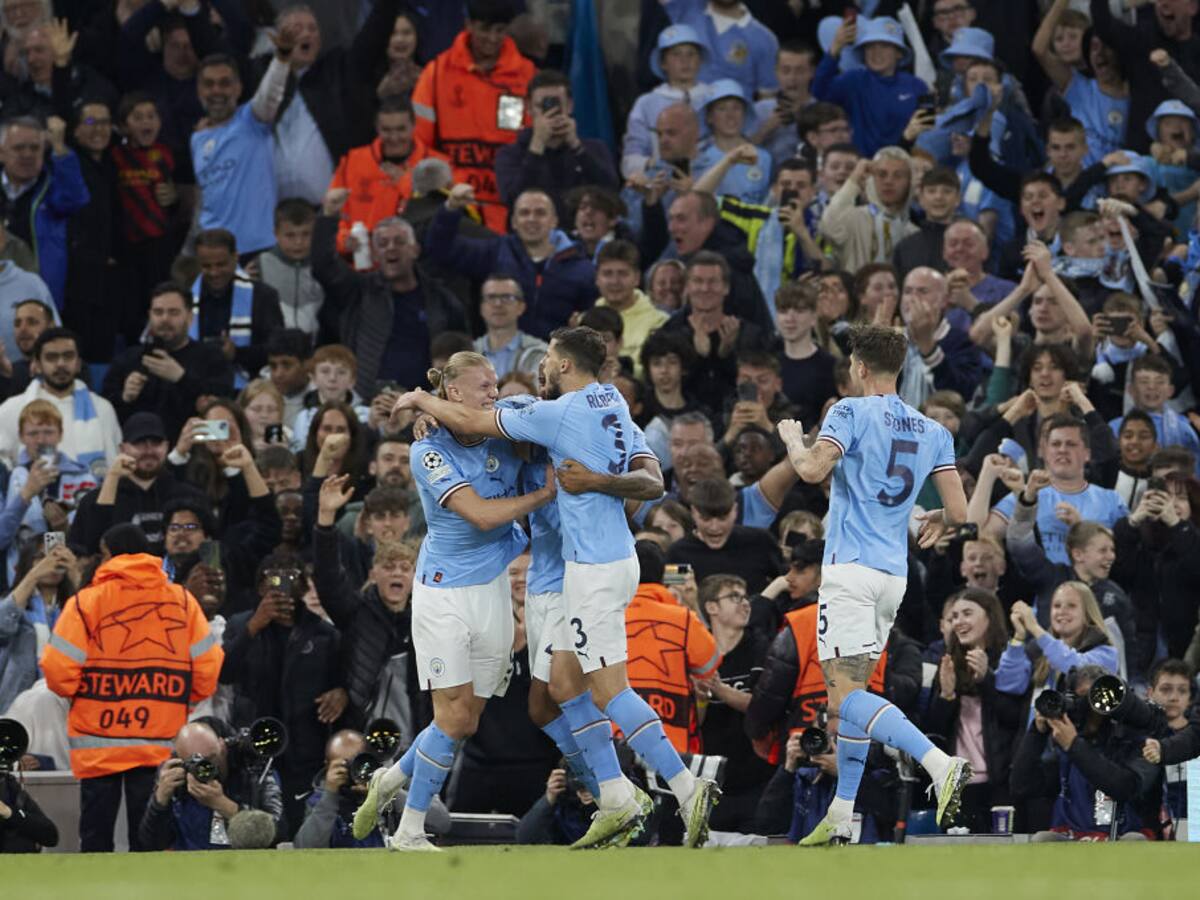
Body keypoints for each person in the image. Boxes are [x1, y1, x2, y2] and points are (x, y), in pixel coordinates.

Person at [392, 329, 722, 849]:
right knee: (552, 700)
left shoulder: (559, 414)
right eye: (492, 388)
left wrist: (421, 399)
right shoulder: (604, 403)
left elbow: (651, 482)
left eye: (545, 360)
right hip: (579, 568)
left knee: (605, 690)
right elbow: (475, 425)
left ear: (563, 365)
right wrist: (432, 414)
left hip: (584, 571)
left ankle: (679, 787)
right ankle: (616, 796)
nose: (507, 394)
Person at [775, 323, 971, 845]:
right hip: (892, 576)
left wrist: (795, 438)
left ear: (859, 367)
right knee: (854, 697)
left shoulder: (847, 410)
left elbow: (814, 471)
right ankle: (841, 814)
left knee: (843, 696)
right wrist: (938, 522)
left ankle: (938, 762)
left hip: (849, 571)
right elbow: (958, 510)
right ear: (899, 367)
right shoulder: (933, 430)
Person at [353, 351, 554, 851]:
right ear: (455, 396)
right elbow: (481, 516)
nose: (494, 393)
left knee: (465, 720)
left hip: (492, 589)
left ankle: (391, 779)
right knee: (450, 717)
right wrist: (542, 497)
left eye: (495, 384)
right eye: (483, 386)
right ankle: (409, 830)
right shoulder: (428, 452)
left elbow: (545, 414)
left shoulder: (509, 419)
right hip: (443, 593)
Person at [40, 523, 222, 852]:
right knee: (150, 836)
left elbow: (57, 669)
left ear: (108, 552)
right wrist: (179, 702)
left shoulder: (86, 602)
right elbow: (208, 667)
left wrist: (81, 697)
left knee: (95, 841)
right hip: (158, 738)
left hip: (98, 740)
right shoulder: (181, 600)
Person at [313, 188, 466, 400]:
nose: (390, 248)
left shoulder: (441, 299)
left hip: (427, 405)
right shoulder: (359, 291)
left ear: (415, 250)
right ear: (375, 254)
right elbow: (323, 266)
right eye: (382, 244)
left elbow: (463, 350)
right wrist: (329, 215)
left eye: (399, 242)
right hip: (368, 404)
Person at [411, 0, 535, 232]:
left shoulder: (526, 75)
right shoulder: (437, 73)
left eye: (500, 30)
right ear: (468, 25)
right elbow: (419, 144)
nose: (492, 38)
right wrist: (452, 183)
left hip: (508, 213)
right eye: (484, 29)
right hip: (454, 206)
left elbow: (531, 145)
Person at [424, 183, 597, 341]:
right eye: (524, 213)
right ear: (513, 222)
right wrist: (451, 209)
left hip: (558, 365)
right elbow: (440, 249)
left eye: (540, 213)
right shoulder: (493, 252)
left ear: (554, 221)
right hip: (501, 364)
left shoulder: (582, 268)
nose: (531, 219)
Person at [921, 587, 1024, 833]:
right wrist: (946, 696)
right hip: (958, 787)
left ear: (989, 617)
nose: (959, 622)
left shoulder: (1010, 659)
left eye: (967, 613)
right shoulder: (948, 664)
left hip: (1001, 785)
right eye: (954, 616)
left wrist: (987, 680)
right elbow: (933, 731)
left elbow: (1016, 719)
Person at [101, 282, 235, 441]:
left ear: (190, 317)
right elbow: (105, 417)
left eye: (173, 312)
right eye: (158, 312)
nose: (165, 319)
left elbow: (222, 425)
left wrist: (182, 379)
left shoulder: (212, 358)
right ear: (150, 316)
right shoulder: (127, 359)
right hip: (139, 451)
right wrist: (125, 397)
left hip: (196, 452)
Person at [191, 45, 289, 258]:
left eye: (225, 83)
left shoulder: (252, 119)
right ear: (199, 90)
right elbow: (203, 197)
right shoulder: (196, 138)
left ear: (238, 88)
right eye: (209, 84)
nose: (216, 90)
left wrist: (281, 60)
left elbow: (270, 95)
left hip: (258, 248)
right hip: (215, 255)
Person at [695, 573, 774, 833]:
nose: (745, 603)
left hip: (756, 778)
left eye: (745, 596)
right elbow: (693, 722)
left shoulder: (762, 647)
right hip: (708, 780)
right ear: (711, 607)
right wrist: (701, 698)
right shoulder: (696, 651)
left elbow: (762, 707)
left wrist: (719, 688)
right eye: (734, 597)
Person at [327, 94, 449, 256]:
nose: (394, 138)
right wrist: (344, 240)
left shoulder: (437, 165)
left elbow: (446, 218)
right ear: (377, 128)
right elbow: (331, 215)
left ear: (413, 126)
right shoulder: (352, 162)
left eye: (401, 129)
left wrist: (405, 182)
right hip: (364, 267)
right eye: (387, 130)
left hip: (419, 267)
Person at [67, 412, 205, 555]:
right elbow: (87, 553)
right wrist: (112, 477)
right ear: (123, 449)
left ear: (166, 446)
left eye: (156, 443)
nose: (149, 451)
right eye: (139, 443)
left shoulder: (190, 497)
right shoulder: (93, 501)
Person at [138, 719, 285, 851]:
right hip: (190, 868)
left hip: (244, 865)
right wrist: (160, 800)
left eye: (211, 758)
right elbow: (152, 845)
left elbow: (278, 833)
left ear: (222, 746)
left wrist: (223, 805)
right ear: (181, 759)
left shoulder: (252, 769)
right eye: (195, 762)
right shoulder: (173, 775)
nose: (207, 767)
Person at [495, 68, 618, 221]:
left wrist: (577, 148)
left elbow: (611, 193)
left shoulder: (595, 149)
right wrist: (536, 148)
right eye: (544, 106)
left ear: (570, 106)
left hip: (580, 238)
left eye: (557, 105)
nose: (551, 113)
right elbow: (513, 200)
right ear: (529, 108)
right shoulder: (510, 154)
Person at [293, 728, 449, 849]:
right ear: (328, 766)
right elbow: (304, 848)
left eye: (358, 763)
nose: (354, 772)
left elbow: (441, 822)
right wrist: (330, 796)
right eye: (345, 765)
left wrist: (386, 790)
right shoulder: (320, 799)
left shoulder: (395, 779)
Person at [0, 327, 120, 474]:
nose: (61, 364)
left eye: (68, 356)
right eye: (52, 357)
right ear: (37, 365)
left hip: (92, 494)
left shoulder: (102, 408)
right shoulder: (12, 409)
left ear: (78, 364)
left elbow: (114, 466)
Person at [0, 115, 89, 309]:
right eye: (19, 148)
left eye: (35, 148)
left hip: (39, 295)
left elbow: (75, 198)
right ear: (1, 152)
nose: (27, 154)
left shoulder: (51, 189)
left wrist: (60, 150)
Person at [812, 16, 928, 158]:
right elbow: (819, 92)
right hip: (861, 166)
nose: (876, 52)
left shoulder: (917, 86)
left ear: (899, 53)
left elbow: (927, 130)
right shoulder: (853, 80)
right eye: (870, 46)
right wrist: (835, 48)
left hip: (903, 166)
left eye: (884, 46)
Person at [190, 229, 285, 383]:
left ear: (235, 258)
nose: (214, 272)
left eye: (221, 264)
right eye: (207, 266)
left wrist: (237, 353)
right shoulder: (184, 296)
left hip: (249, 387)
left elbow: (277, 349)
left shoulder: (263, 296)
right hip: (195, 384)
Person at [253, 199, 325, 340]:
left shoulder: (325, 264)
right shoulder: (260, 264)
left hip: (317, 346)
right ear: (276, 234)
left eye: (306, 234)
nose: (298, 242)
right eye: (290, 235)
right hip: (276, 348)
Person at [471, 274, 548, 381]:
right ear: (481, 308)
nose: (498, 304)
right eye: (491, 297)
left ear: (521, 307)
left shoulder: (541, 353)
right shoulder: (468, 353)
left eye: (507, 297)